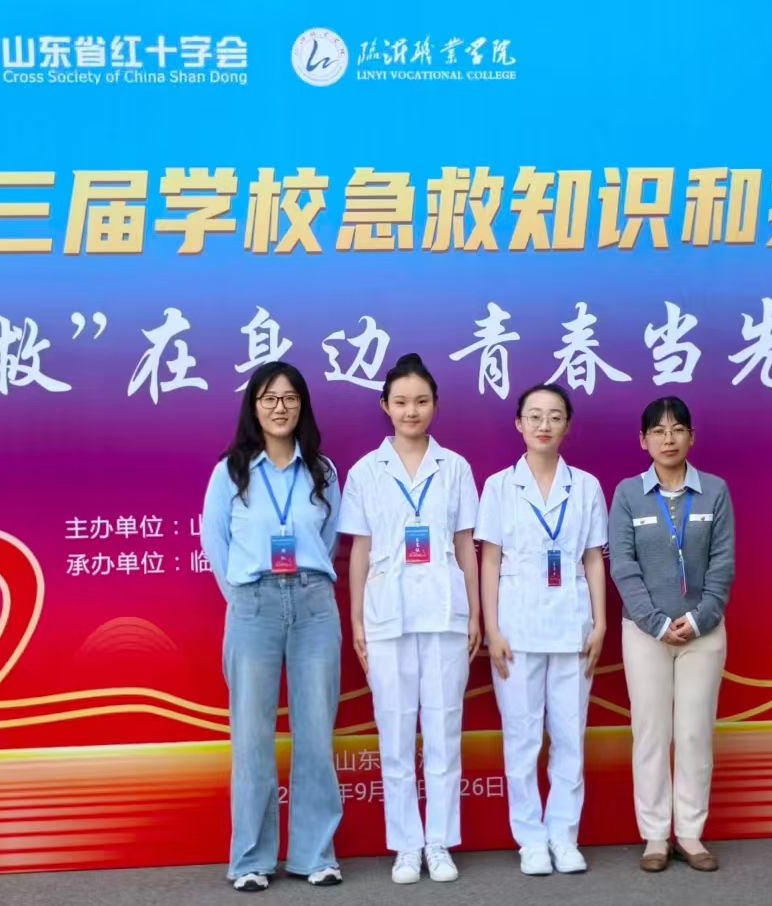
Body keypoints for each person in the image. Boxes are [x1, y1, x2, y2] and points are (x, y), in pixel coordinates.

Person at [201, 362, 345, 892]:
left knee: (315, 734)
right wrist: (243, 597)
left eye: (289, 398)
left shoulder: (322, 471)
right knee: (252, 739)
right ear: (254, 407)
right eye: (269, 398)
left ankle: (315, 855)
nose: (279, 408)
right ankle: (251, 860)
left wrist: (302, 582)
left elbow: (329, 538)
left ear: (302, 405)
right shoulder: (231, 471)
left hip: (313, 604)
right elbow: (215, 542)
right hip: (253, 604)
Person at [338, 353, 481, 885]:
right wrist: (356, 619)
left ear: (435, 405)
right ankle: (405, 844)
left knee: (443, 730)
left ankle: (438, 842)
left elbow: (466, 546)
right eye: (401, 402)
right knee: (395, 733)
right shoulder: (365, 472)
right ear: (385, 406)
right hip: (386, 616)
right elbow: (358, 551)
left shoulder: (456, 467)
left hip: (445, 613)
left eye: (421, 401)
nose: (411, 411)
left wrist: (475, 613)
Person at [475, 383, 610, 877]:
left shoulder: (587, 486)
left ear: (567, 425)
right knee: (522, 738)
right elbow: (490, 560)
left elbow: (593, 558)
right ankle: (531, 839)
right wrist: (492, 628)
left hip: (572, 626)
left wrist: (600, 623)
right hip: (516, 628)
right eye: (534, 416)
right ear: (519, 424)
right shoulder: (498, 486)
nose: (544, 425)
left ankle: (563, 836)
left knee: (570, 735)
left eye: (554, 416)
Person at [609, 396, 735, 873]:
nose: (668, 439)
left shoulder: (715, 491)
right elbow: (623, 565)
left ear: (691, 437)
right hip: (646, 634)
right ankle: (656, 836)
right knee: (651, 732)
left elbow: (723, 563)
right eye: (658, 431)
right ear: (643, 440)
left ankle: (690, 834)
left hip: (703, 632)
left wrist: (700, 619)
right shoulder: (627, 494)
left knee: (694, 733)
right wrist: (657, 622)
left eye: (677, 429)